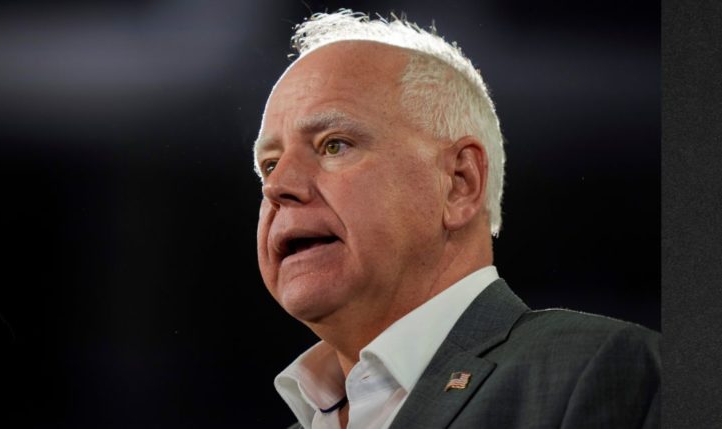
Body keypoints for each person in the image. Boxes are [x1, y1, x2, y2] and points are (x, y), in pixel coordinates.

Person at [252, 10, 659, 429]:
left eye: (333, 145)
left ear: (459, 183)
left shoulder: (590, 370)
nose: (277, 186)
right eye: (269, 164)